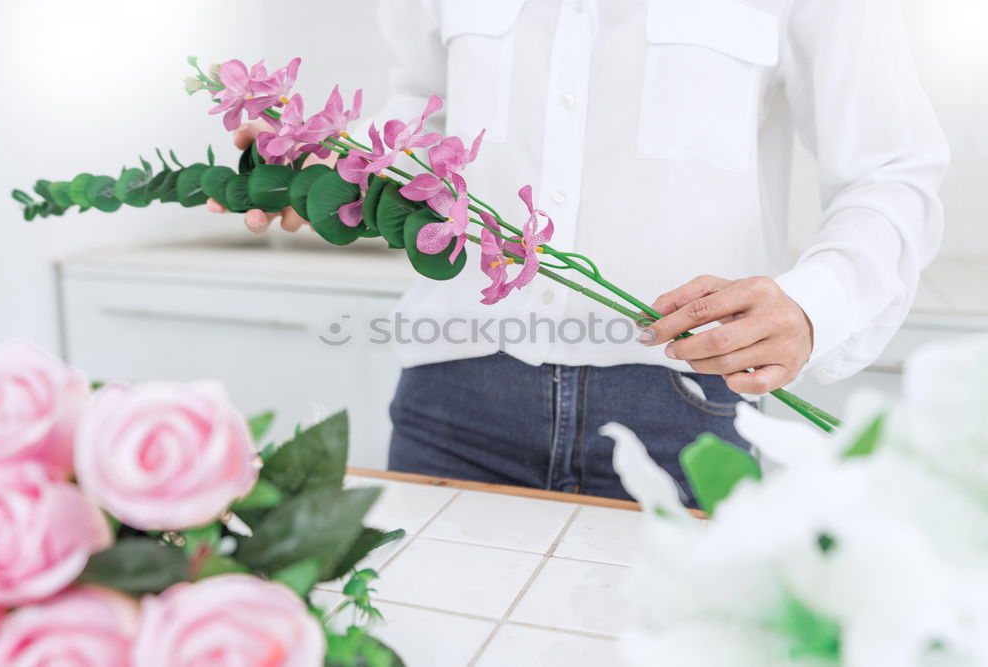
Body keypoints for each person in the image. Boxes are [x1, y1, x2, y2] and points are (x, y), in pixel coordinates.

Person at [210, 0, 949, 503]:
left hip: (684, 417)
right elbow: (427, 109)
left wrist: (815, 305)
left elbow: (893, 168)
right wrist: (330, 163)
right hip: (455, 405)